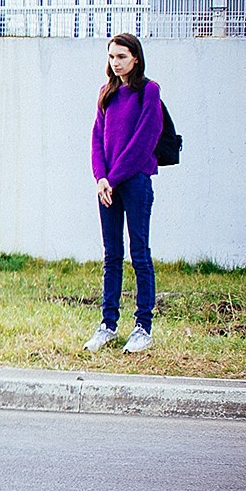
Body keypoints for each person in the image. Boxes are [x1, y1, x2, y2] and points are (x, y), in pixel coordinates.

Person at [87, 32, 163, 355]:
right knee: (112, 255)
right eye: (111, 57)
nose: (115, 62)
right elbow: (97, 138)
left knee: (140, 254)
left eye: (121, 56)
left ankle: (143, 327)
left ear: (135, 57)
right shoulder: (106, 93)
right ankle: (108, 325)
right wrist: (100, 177)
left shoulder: (149, 91)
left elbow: (144, 141)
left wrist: (113, 178)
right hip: (109, 186)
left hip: (135, 182)